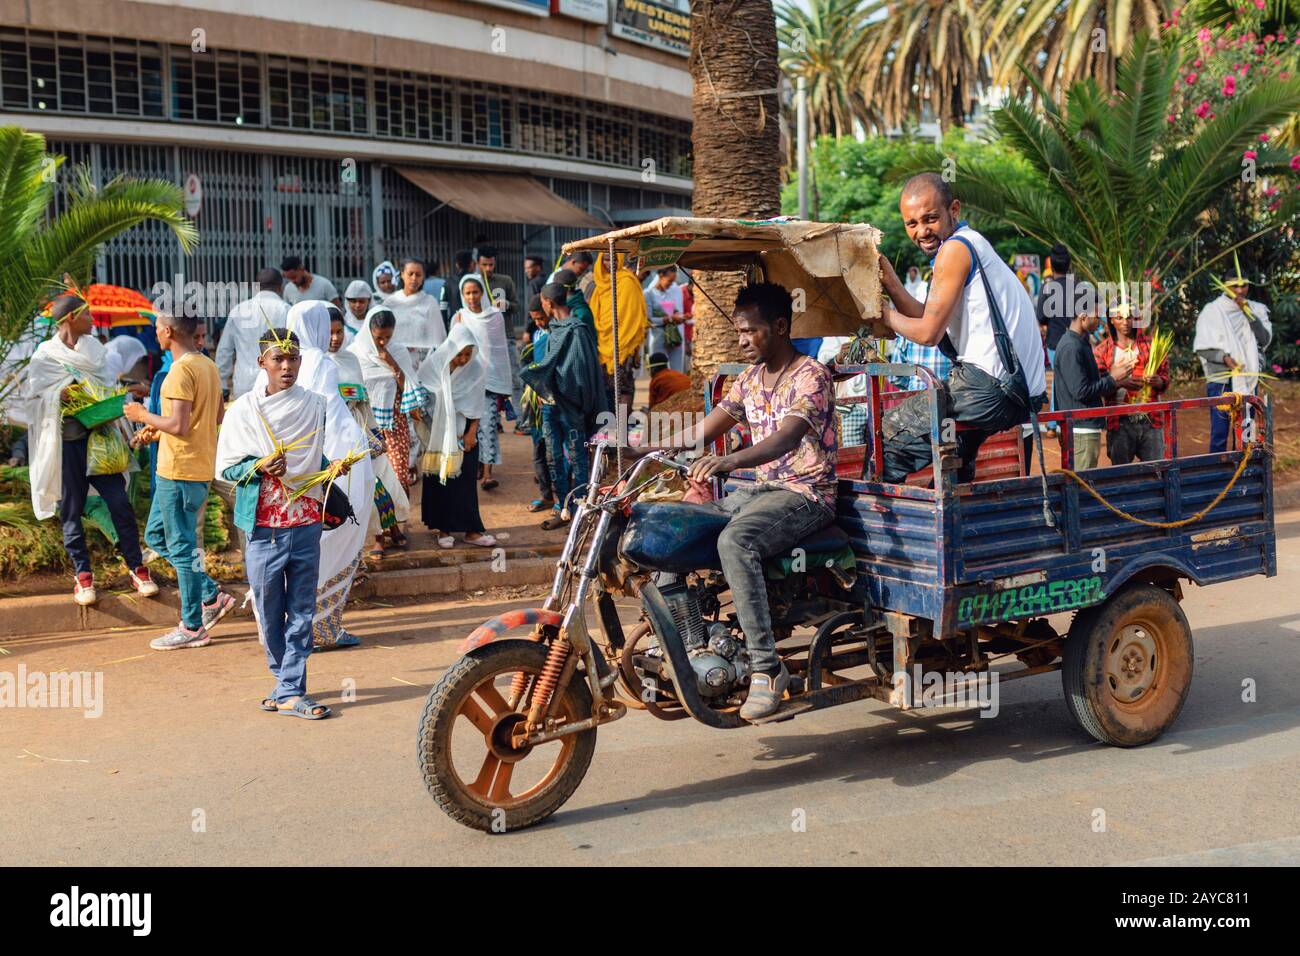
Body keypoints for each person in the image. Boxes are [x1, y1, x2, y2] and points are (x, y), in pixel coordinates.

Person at [640, 283, 838, 721]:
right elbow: (701, 431)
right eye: (738, 332)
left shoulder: (811, 376)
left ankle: (768, 670)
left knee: (736, 543)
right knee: (675, 525)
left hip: (805, 494)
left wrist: (727, 462)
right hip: (762, 492)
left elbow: (784, 438)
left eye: (750, 332)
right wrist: (641, 447)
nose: (742, 340)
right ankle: (684, 640)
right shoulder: (749, 379)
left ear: (780, 327)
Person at [876, 173, 1047, 483]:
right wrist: (890, 282)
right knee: (953, 455)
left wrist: (883, 315)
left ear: (953, 210)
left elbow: (928, 334)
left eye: (930, 218)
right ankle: (952, 514)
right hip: (1018, 392)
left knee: (887, 434)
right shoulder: (971, 245)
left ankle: (879, 525)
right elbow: (928, 318)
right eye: (911, 223)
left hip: (991, 388)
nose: (922, 231)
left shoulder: (955, 249)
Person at [217, 329, 348, 720]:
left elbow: (312, 456)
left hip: (306, 520)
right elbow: (226, 467)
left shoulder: (315, 404)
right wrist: (257, 466)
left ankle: (290, 688)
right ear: (263, 363)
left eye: (293, 358)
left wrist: (333, 468)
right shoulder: (244, 411)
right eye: (279, 359)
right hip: (262, 526)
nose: (287, 366)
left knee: (303, 609)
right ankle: (284, 682)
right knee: (269, 609)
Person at [254, 301, 374, 650]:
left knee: (293, 553)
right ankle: (323, 630)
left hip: (287, 474)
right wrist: (360, 450)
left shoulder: (278, 366)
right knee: (332, 546)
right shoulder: (317, 362)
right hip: (331, 470)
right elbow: (332, 419)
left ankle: (285, 633)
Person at [27, 292, 156, 606]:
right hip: (68, 444)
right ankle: (83, 576)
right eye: (87, 314)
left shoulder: (95, 349)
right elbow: (35, 397)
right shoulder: (44, 355)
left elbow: (107, 385)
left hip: (101, 441)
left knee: (120, 504)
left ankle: (137, 568)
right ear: (71, 317)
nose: (92, 319)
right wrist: (62, 394)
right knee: (71, 510)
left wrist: (110, 399)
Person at [125, 313, 236, 649]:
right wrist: (156, 431)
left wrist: (142, 414)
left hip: (179, 471)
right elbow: (213, 417)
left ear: (169, 331)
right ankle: (210, 595)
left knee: (182, 548)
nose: (155, 334)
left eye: (157, 329)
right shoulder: (207, 365)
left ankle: (191, 626)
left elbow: (180, 425)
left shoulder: (179, 370)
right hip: (194, 467)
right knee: (157, 536)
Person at [522, 281, 611, 529]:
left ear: (548, 303)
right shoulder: (557, 329)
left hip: (571, 407)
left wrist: (557, 386)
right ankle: (563, 508)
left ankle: (580, 512)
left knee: (577, 459)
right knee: (554, 459)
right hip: (551, 406)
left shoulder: (577, 331)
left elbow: (579, 371)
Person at [326, 308, 407, 560]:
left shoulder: (350, 359)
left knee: (382, 484)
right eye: (330, 333)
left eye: (339, 331)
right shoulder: (315, 364)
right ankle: (376, 538)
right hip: (335, 440)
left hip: (361, 431)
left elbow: (363, 400)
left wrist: (374, 433)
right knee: (357, 491)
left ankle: (387, 529)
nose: (336, 338)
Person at [349, 306, 426, 549]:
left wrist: (391, 362)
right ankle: (378, 537)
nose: (382, 342)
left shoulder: (398, 351)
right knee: (374, 480)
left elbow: (409, 387)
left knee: (398, 477)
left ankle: (395, 525)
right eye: (378, 337)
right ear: (369, 331)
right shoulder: (356, 354)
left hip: (394, 422)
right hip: (366, 425)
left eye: (387, 337)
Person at [417, 324, 497, 548]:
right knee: (441, 481)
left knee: (465, 483)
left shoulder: (476, 370)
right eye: (458, 354)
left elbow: (476, 406)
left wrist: (471, 433)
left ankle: (472, 531)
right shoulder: (433, 366)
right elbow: (420, 395)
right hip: (438, 437)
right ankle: (443, 531)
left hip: (464, 437)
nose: (462, 359)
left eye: (467, 354)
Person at [1194, 270, 1272, 452]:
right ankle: (1219, 472)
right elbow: (1202, 347)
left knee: (1247, 427)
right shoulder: (1212, 311)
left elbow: (1264, 339)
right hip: (1221, 380)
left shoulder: (1256, 309)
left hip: (1248, 377)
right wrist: (1225, 358)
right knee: (1219, 430)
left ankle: (1246, 468)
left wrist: (1248, 313)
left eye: (1243, 285)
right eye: (1233, 285)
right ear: (1224, 286)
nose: (1239, 290)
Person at [450, 275, 513, 491]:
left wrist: (502, 382)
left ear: (482, 293)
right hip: (466, 383)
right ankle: (474, 466)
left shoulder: (495, 317)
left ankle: (487, 474)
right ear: (462, 295)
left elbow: (498, 351)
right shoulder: (458, 318)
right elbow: (453, 350)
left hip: (489, 382)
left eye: (475, 292)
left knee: (487, 427)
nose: (472, 297)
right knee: (468, 428)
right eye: (467, 293)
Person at [1053, 306, 1136, 470]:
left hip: (1082, 426)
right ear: (1084, 316)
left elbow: (1088, 383)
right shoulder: (1072, 346)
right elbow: (1081, 391)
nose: (1100, 322)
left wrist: (1117, 382)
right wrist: (1113, 378)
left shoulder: (1079, 342)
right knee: (1082, 483)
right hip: (1081, 429)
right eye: (1097, 316)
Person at [1093, 304, 1169, 464]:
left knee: (1156, 472)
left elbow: (1165, 378)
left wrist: (1158, 381)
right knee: (1121, 475)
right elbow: (1098, 387)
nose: (1125, 322)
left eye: (1129, 317)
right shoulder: (1102, 351)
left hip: (1151, 420)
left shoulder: (1151, 347)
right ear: (1111, 320)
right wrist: (1120, 383)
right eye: (1119, 318)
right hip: (1119, 422)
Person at [590, 251, 648, 422]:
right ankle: (610, 428)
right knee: (607, 390)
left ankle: (622, 431)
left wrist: (625, 344)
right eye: (606, 259)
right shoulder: (598, 283)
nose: (610, 263)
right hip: (603, 346)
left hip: (624, 344)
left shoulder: (627, 281)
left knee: (624, 390)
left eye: (614, 259)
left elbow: (631, 315)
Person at [215, 268, 291, 399]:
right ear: (280, 287)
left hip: (244, 384)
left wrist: (222, 384)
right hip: (276, 384)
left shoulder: (239, 310)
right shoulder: (287, 310)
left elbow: (224, 350)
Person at [475, 246, 524, 422]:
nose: (488, 268)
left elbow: (517, 306)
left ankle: (519, 420)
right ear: (477, 264)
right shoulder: (474, 284)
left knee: (515, 379)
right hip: (483, 340)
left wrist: (507, 305)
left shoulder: (505, 281)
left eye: (491, 265)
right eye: (484, 265)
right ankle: (492, 420)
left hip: (506, 337)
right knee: (486, 382)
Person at [523, 294, 555, 513]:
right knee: (538, 450)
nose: (538, 323)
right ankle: (546, 496)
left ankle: (562, 498)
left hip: (553, 400)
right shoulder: (537, 334)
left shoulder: (558, 335)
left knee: (554, 453)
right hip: (536, 398)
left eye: (541, 318)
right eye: (534, 319)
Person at [386, 258, 446, 368]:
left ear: (423, 277)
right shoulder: (390, 303)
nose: (414, 278)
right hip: (394, 362)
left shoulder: (430, 302)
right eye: (410, 274)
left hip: (422, 365)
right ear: (402, 274)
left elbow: (438, 338)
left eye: (418, 275)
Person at [644, 265, 687, 372]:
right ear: (661, 276)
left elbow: (675, 311)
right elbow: (648, 320)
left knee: (677, 370)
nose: (670, 284)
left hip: (674, 336)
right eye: (669, 281)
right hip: (658, 337)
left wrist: (679, 316)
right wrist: (669, 319)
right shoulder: (649, 294)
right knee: (658, 370)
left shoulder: (670, 293)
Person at [439, 250, 474, 318]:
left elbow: (443, 306)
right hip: (474, 321)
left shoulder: (448, 282)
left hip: (456, 321)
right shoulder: (476, 280)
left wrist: (445, 325)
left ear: (457, 265)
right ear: (471, 264)